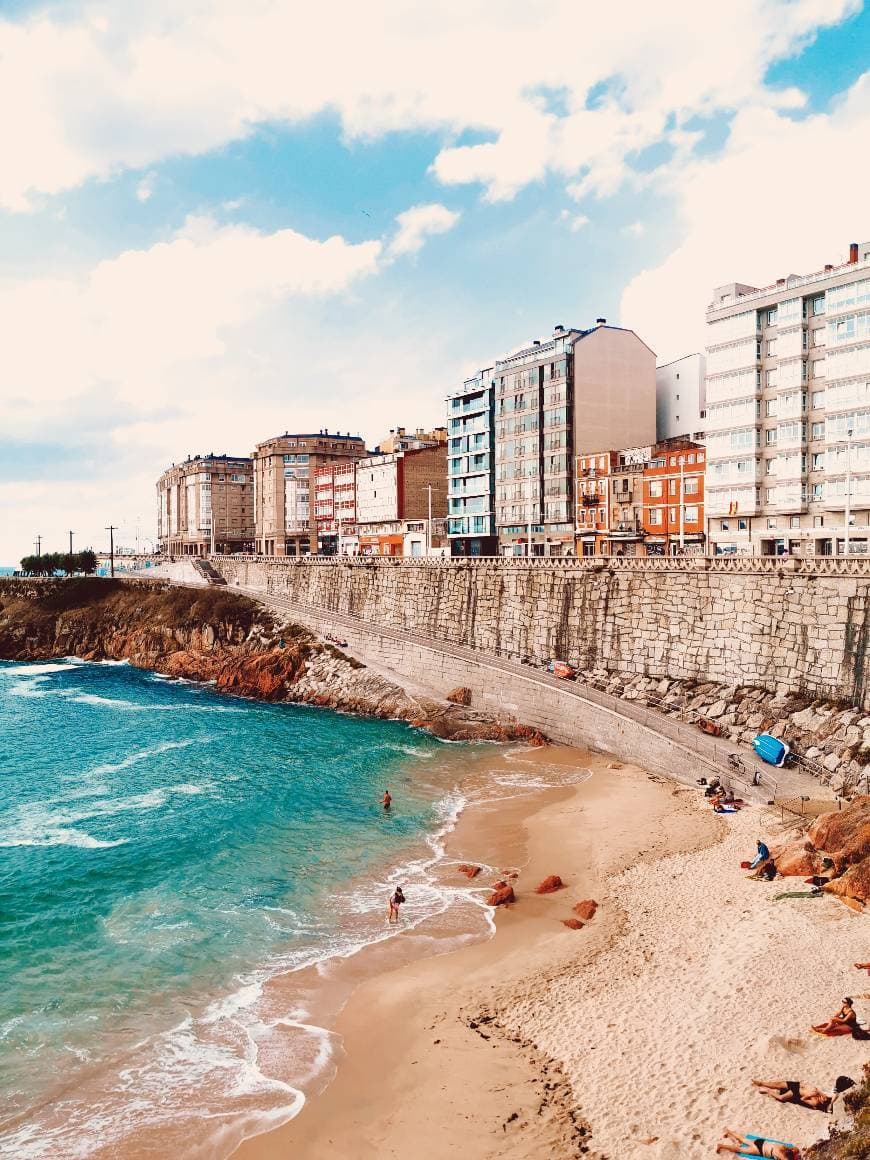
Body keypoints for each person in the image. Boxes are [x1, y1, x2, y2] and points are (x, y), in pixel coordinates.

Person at [751, 1076, 854, 1112]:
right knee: (778, 1084)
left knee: (781, 1098)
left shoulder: (815, 1103)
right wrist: (818, 1092)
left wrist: (810, 1095)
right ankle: (762, 1083)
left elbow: (802, 1099)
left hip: (796, 1092)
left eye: (824, 1100)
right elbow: (834, 1095)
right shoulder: (823, 1094)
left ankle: (766, 1090)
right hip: (799, 1086)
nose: (823, 1099)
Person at [715, 1129, 799, 1159]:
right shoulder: (784, 1157)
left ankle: (728, 1131)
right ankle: (721, 1146)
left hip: (761, 1142)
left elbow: (796, 1149)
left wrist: (794, 1152)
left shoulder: (783, 1147)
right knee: (740, 1149)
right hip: (759, 1150)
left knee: (743, 1139)